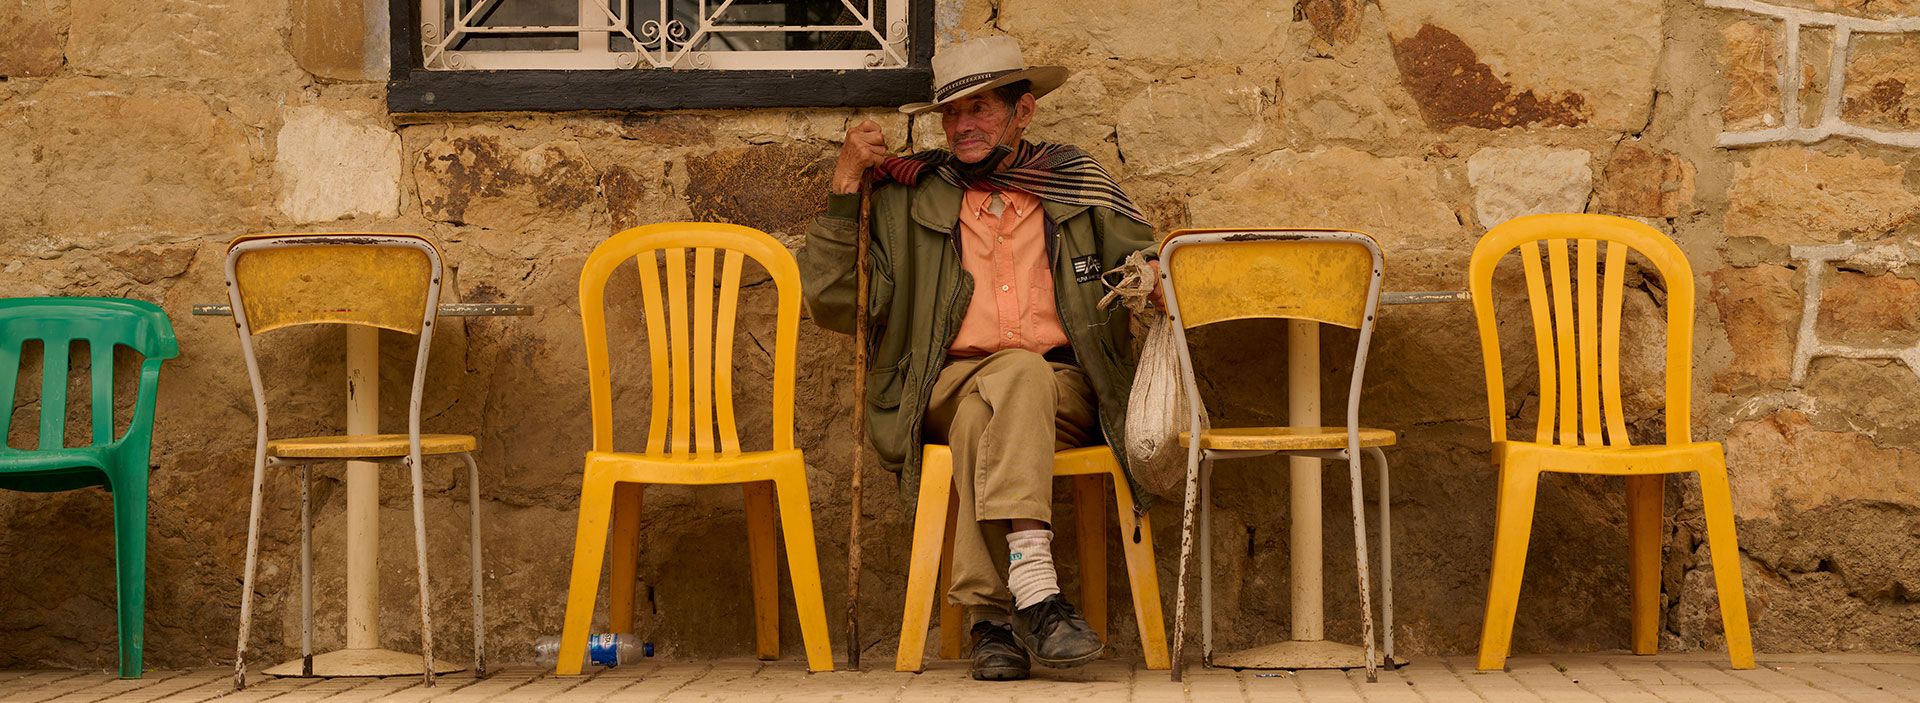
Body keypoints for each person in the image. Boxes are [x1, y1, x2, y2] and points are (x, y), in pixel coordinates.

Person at [799, 35, 1159, 681]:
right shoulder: (914, 194)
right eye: (952, 113)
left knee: (994, 405)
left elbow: (1142, 260)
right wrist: (846, 182)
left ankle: (992, 619)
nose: (963, 126)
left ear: (1024, 112)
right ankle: (1038, 593)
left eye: (981, 109)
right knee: (1000, 383)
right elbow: (834, 303)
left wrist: (1151, 275)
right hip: (939, 383)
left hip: (1065, 388)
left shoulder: (1073, 184)